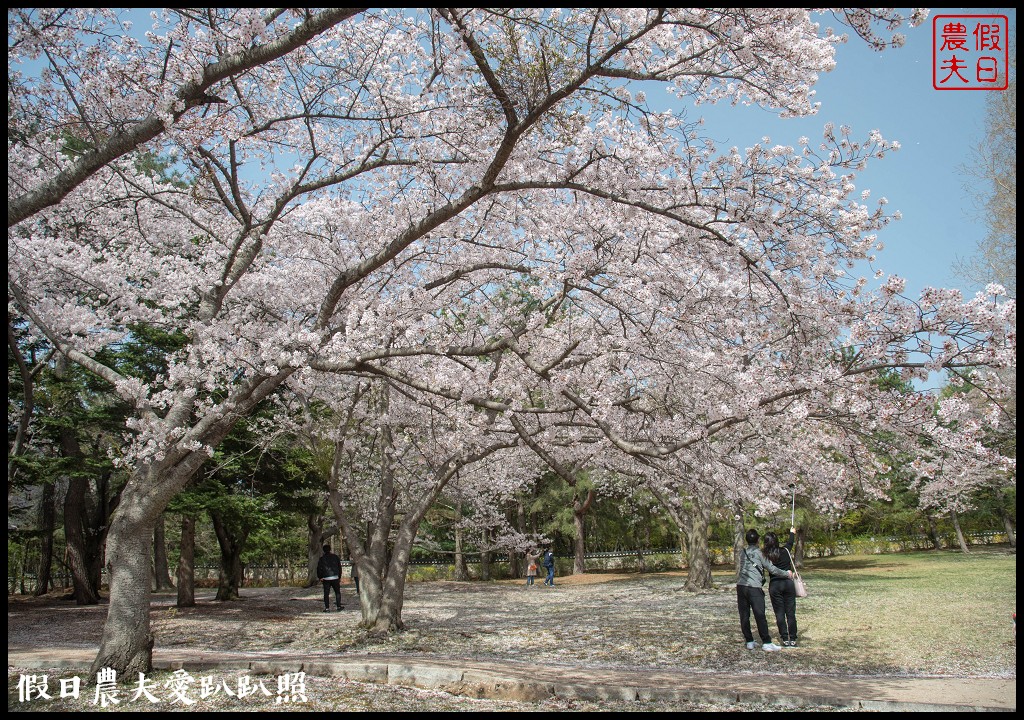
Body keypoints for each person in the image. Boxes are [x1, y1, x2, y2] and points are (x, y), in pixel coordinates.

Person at [737, 528, 791, 651]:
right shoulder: (760, 553)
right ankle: (766, 642)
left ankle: (749, 641)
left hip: (741, 586)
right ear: (757, 540)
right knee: (760, 614)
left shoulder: (743, 552)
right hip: (754, 587)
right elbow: (772, 569)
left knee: (744, 615)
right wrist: (787, 574)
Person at [763, 527, 799, 647]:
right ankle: (793, 637)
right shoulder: (785, 551)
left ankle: (784, 637)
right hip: (788, 583)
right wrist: (791, 533)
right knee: (790, 612)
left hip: (775, 585)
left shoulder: (766, 555)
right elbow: (790, 543)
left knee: (779, 612)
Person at [317, 544, 343, 612]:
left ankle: (327, 608)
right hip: (335, 577)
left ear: (323, 550)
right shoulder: (335, 557)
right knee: (337, 592)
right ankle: (338, 606)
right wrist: (339, 576)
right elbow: (339, 567)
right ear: (330, 549)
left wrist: (320, 577)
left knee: (326, 593)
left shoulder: (322, 559)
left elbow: (319, 568)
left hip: (326, 578)